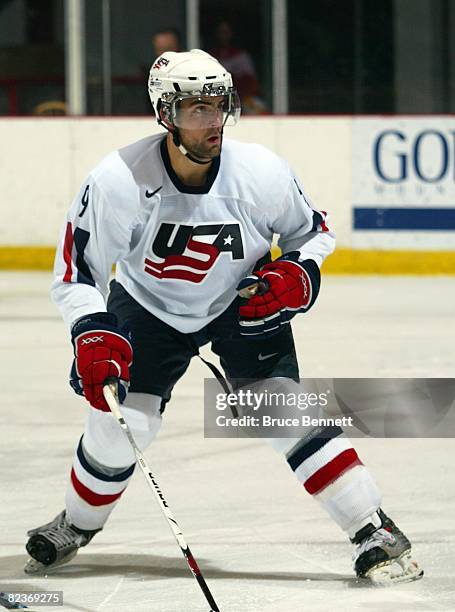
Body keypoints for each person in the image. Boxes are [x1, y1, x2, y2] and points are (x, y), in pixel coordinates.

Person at [24, 49, 422, 585]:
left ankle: (373, 527)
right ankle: (76, 522)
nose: (213, 121)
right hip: (147, 307)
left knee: (281, 409)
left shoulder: (260, 171)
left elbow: (315, 231)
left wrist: (298, 276)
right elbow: (78, 271)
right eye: (196, 109)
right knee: (123, 423)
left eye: (220, 105)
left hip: (243, 300)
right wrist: (92, 330)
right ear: (165, 113)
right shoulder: (118, 179)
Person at [209, 21, 265, 114]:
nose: (223, 36)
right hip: (215, 99)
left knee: (258, 107)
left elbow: (251, 83)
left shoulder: (242, 56)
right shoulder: (210, 56)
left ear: (232, 33)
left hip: (242, 98)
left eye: (226, 32)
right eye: (221, 32)